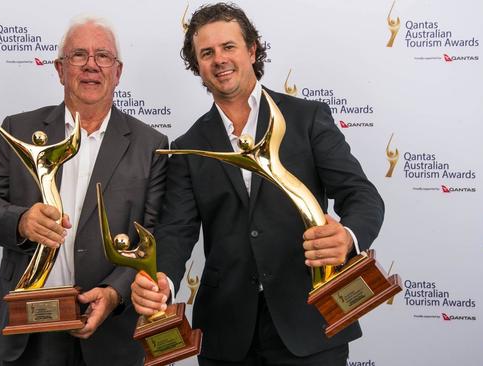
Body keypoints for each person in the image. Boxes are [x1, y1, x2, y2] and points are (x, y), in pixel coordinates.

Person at [130, 3, 384, 366]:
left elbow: (361, 195)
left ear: (251, 50)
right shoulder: (187, 146)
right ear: (197, 66)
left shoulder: (306, 118)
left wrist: (347, 238)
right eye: (207, 53)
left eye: (229, 47)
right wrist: (163, 283)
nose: (219, 59)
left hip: (311, 320)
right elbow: (176, 230)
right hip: (226, 332)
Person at [0, 15, 168, 366]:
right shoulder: (19, 129)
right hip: (28, 330)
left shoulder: (150, 145)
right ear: (61, 69)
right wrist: (21, 221)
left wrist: (114, 293)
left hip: (111, 332)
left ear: (117, 72)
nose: (91, 65)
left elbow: (152, 235)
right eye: (79, 55)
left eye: (103, 56)